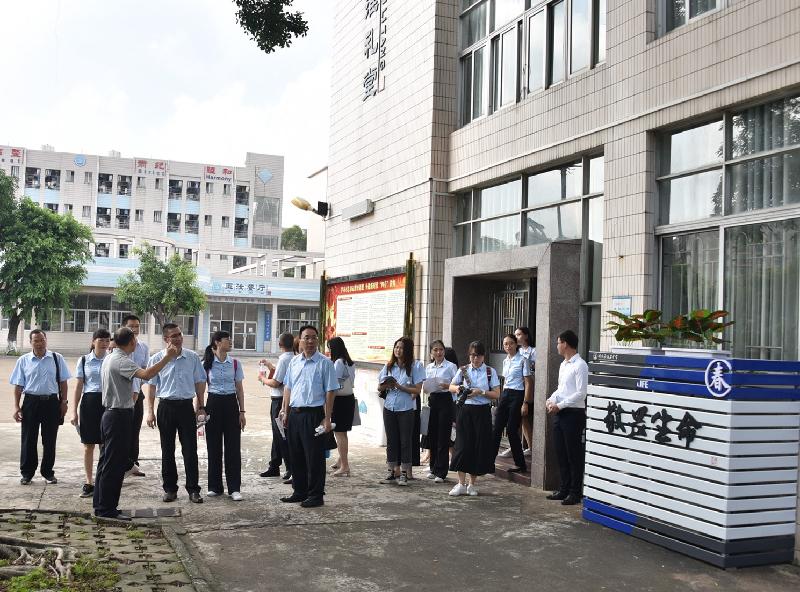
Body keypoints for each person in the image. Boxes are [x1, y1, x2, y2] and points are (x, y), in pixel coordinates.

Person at [93, 327, 178, 519]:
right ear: (131, 342)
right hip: (118, 416)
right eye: (135, 341)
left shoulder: (110, 357)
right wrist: (167, 357)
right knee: (114, 465)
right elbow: (146, 375)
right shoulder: (121, 360)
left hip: (110, 414)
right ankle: (107, 509)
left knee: (106, 462)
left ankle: (101, 505)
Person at [145, 323, 207, 504]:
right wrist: (150, 411)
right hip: (166, 407)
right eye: (174, 336)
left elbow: (199, 382)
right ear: (166, 339)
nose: (179, 338)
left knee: (190, 449)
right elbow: (151, 387)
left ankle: (193, 490)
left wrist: (200, 406)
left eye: (180, 334)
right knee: (167, 450)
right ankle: (170, 489)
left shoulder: (192, 357)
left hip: (186, 407)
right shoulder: (157, 359)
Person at [279, 325, 339, 508]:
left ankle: (316, 495)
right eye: (307, 337)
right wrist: (284, 410)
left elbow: (330, 391)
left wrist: (327, 418)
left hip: (313, 415)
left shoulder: (325, 363)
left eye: (314, 337)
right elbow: (288, 387)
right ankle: (299, 491)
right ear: (300, 340)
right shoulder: (294, 362)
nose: (310, 341)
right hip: (294, 414)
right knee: (296, 455)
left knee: (314, 458)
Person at [10, 329, 71, 485]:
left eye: (42, 340)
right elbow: (18, 385)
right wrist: (16, 406)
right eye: (36, 340)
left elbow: (63, 382)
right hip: (31, 403)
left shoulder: (57, 358)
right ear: (30, 342)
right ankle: (27, 473)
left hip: (51, 403)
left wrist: (64, 402)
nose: (39, 343)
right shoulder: (23, 360)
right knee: (28, 439)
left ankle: (48, 472)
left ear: (46, 340)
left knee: (49, 439)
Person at [448, 341, 501, 496]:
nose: (475, 358)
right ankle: (460, 483)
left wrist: (480, 392)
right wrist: (459, 389)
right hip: (465, 410)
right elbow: (451, 386)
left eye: (478, 355)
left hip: (482, 412)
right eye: (472, 355)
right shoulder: (463, 370)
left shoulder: (490, 371)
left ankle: (471, 484)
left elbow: (497, 394)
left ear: (483, 356)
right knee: (462, 446)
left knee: (478, 447)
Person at [545, 329, 588, 506]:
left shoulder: (580, 365)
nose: (557, 346)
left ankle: (575, 493)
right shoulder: (564, 364)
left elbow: (581, 393)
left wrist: (560, 405)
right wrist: (551, 399)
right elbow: (561, 389)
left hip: (574, 415)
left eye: (558, 342)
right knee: (561, 453)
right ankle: (563, 489)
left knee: (574, 455)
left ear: (566, 344)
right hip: (560, 413)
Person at [202, 331, 246, 501]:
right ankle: (215, 486)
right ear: (217, 342)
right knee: (213, 446)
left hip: (231, 404)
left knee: (233, 447)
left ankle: (234, 488)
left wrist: (242, 412)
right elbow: (200, 388)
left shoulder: (235, 363)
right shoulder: (206, 363)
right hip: (213, 404)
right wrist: (200, 409)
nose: (231, 342)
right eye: (228, 340)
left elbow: (239, 389)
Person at [70, 329, 112, 498]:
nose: (104, 343)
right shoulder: (84, 360)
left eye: (107, 340)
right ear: (93, 341)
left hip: (107, 403)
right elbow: (78, 386)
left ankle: (104, 480)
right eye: (101, 340)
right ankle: (89, 482)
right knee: (88, 445)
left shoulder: (112, 360)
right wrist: (73, 410)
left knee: (105, 445)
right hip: (89, 403)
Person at [377, 337, 424, 486]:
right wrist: (387, 385)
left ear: (407, 350)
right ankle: (391, 471)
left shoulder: (415, 366)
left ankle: (404, 473)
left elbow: (418, 389)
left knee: (405, 441)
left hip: (406, 408)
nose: (398, 350)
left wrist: (399, 386)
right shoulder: (389, 366)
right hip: (389, 407)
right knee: (391, 441)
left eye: (401, 347)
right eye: (396, 347)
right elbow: (379, 387)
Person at [492, 334, 533, 473]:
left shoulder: (523, 360)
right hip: (506, 394)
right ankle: (489, 461)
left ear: (516, 344)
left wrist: (525, 402)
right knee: (497, 427)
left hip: (518, 395)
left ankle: (520, 464)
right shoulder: (505, 361)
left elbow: (528, 382)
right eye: (505, 344)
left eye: (511, 343)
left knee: (511, 429)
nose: (508, 346)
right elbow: (506, 381)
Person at [258, 332, 294, 482]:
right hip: (283, 400)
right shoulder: (293, 357)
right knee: (278, 434)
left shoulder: (284, 359)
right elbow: (280, 374)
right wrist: (269, 365)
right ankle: (274, 464)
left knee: (281, 435)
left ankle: (290, 467)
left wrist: (262, 378)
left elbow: (276, 382)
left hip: (279, 401)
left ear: (280, 344)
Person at [424, 340, 458, 483]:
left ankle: (441, 471)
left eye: (441, 350)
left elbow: (457, 384)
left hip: (446, 400)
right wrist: (426, 387)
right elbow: (425, 385)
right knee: (432, 435)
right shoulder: (429, 367)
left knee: (443, 436)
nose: (438, 352)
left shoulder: (451, 366)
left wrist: (447, 385)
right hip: (433, 399)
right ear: (431, 353)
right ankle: (433, 468)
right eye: (435, 350)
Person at [122, 314, 148, 477]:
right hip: (120, 394)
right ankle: (121, 464)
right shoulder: (116, 346)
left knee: (134, 430)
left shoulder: (143, 347)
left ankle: (133, 464)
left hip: (137, 394)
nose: (134, 329)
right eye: (131, 326)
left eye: (137, 326)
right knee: (121, 431)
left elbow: (145, 370)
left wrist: (137, 389)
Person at [328, 336, 356, 477]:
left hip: (340, 400)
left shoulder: (338, 362)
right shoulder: (350, 362)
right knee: (343, 433)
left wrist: (329, 403)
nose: (329, 351)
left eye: (329, 348)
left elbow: (335, 385)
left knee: (339, 433)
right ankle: (341, 461)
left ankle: (345, 465)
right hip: (349, 399)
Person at [508, 326, 536, 459]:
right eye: (515, 335)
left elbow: (535, 370)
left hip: (529, 387)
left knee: (526, 417)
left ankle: (530, 447)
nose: (516, 337)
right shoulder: (516, 351)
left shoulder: (533, 351)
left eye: (519, 334)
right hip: (517, 387)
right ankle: (516, 446)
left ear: (526, 336)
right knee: (517, 417)